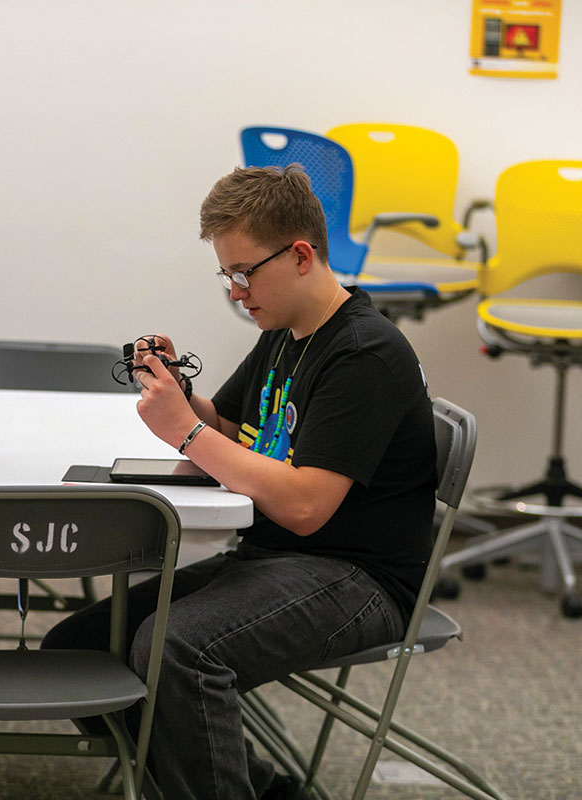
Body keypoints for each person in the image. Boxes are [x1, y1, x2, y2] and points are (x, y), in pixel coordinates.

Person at [42, 165, 437, 800]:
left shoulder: (364, 352)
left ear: (301, 255)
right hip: (276, 558)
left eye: (244, 272)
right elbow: (228, 425)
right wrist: (177, 392)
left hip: (357, 579)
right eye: (226, 275)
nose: (235, 291)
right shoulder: (285, 333)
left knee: (176, 650)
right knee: (78, 647)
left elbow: (307, 504)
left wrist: (185, 434)